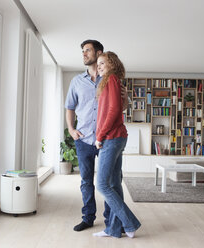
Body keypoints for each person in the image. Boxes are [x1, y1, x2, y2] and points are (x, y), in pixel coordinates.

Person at [65, 40, 128, 232]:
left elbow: (121, 109)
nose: (84, 54)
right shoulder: (76, 81)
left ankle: (112, 221)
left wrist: (124, 98)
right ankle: (88, 217)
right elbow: (70, 107)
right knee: (86, 181)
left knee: (111, 180)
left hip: (107, 139)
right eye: (82, 51)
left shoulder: (111, 79)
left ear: (98, 53)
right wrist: (70, 129)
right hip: (83, 139)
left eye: (88, 50)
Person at [93, 51, 141, 238]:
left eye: (103, 63)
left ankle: (130, 223)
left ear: (112, 64)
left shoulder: (111, 79)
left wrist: (100, 136)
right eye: (98, 64)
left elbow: (113, 111)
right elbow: (116, 107)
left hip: (111, 137)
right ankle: (114, 229)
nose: (100, 66)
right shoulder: (110, 81)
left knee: (102, 185)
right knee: (114, 182)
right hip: (116, 137)